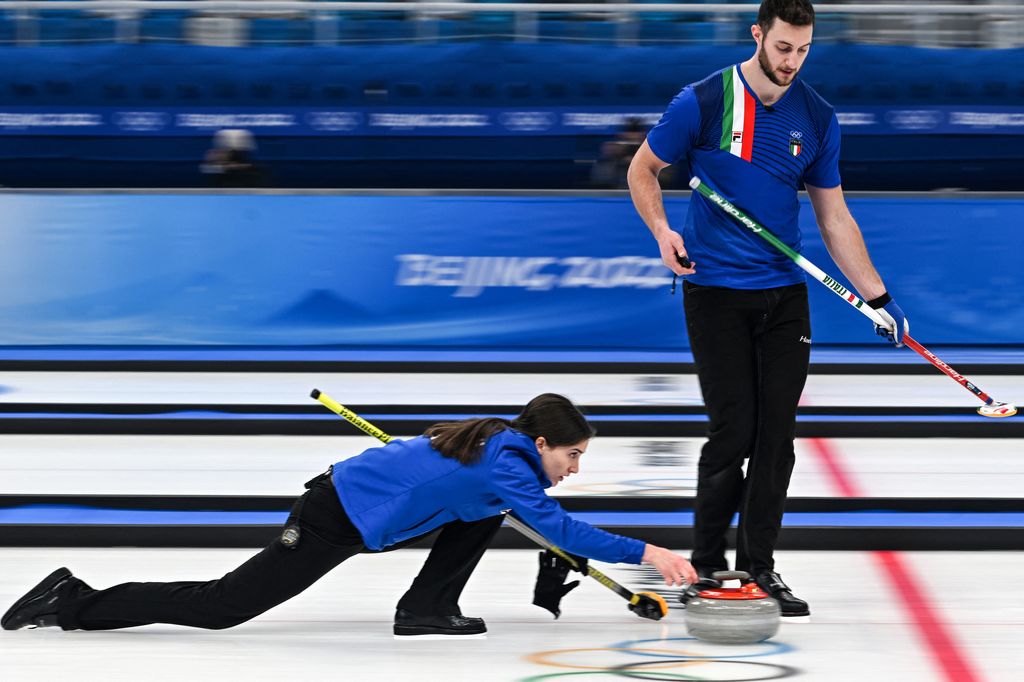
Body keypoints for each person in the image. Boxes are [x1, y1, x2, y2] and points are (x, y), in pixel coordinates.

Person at [627, 0, 908, 617]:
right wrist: (662, 233)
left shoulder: (818, 115)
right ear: (758, 35)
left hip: (784, 298)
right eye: (783, 47)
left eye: (804, 49)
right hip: (716, 294)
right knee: (735, 431)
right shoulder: (702, 100)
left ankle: (760, 568)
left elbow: (834, 217)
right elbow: (642, 169)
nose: (792, 60)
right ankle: (706, 565)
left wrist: (879, 297)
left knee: (776, 439)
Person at [2, 394, 696, 637]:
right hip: (333, 516)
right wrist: (652, 554)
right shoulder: (507, 464)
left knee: (485, 513)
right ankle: (74, 601)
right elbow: (561, 530)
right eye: (572, 455)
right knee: (221, 607)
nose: (576, 467)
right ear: (542, 442)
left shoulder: (503, 447)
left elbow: (531, 513)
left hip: (363, 508)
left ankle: (426, 608)